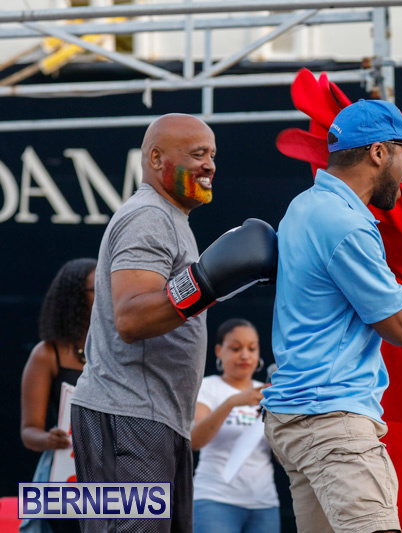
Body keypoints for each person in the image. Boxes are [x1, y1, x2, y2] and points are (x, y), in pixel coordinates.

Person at [70, 113, 277, 533]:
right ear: (156, 158)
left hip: (156, 418)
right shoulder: (148, 215)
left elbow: (173, 303)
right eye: (197, 154)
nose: (209, 165)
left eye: (212, 155)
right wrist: (206, 281)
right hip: (128, 413)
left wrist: (210, 286)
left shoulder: (171, 219)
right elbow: (131, 317)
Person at [262, 98, 402, 533]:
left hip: (300, 418)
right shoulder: (345, 224)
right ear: (379, 152)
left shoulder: (305, 206)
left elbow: (361, 308)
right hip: (333, 424)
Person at [19, 258, 96, 533]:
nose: (108, 295)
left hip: (113, 470)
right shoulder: (47, 354)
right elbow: (29, 431)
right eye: (98, 289)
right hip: (66, 472)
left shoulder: (121, 348)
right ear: (74, 298)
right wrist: (49, 439)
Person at [191, 318, 280, 533]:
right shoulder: (207, 387)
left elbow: (282, 457)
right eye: (236, 348)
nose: (245, 355)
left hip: (264, 503)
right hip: (214, 499)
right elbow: (194, 440)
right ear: (219, 351)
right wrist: (232, 402)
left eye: (252, 348)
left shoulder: (267, 393)